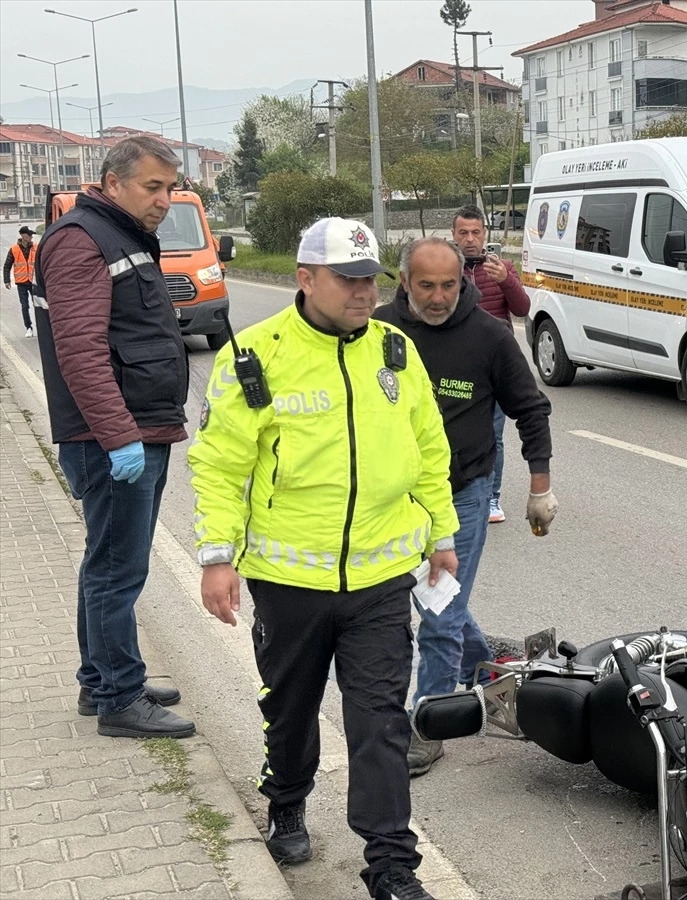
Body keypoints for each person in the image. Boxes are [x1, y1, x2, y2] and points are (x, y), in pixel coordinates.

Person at [189, 217, 457, 900]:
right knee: (291, 710)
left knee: (379, 722)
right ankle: (286, 799)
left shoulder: (396, 352)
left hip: (377, 583)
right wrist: (217, 557)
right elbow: (220, 466)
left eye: (372, 279)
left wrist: (443, 538)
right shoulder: (255, 357)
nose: (365, 292)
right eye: (349, 279)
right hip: (289, 583)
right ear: (306, 279)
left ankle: (392, 867)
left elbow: (429, 452)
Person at [32, 135, 195, 739]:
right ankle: (120, 699)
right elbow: (80, 350)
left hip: (135, 428)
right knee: (117, 571)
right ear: (111, 181)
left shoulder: (118, 235)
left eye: (170, 187)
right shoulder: (81, 241)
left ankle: (100, 679)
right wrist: (118, 435)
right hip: (112, 437)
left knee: (108, 563)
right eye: (152, 187)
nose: (164, 200)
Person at [374, 237, 556, 777]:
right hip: (393, 499)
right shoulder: (381, 332)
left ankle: (427, 725)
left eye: (448, 285)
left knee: (437, 610)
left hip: (461, 497)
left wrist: (539, 487)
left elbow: (531, 407)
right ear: (405, 282)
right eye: (425, 285)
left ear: (464, 281)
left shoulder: (489, 336)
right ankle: (489, 666)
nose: (437, 297)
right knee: (440, 602)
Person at [449, 205, 532, 524]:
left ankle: (491, 497)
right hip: (456, 365)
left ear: (485, 234)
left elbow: (523, 308)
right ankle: (455, 491)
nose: (470, 239)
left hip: (495, 366)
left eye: (476, 232)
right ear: (453, 236)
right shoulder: (446, 270)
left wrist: (507, 281)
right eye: (463, 233)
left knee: (493, 434)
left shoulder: (502, 267)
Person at [4, 225, 38, 336]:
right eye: (29, 235)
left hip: (34, 282)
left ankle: (40, 326)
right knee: (25, 306)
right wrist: (7, 280)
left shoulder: (36, 247)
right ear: (23, 235)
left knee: (38, 305)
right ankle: (28, 327)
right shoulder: (14, 249)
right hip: (21, 282)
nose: (31, 237)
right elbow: (7, 266)